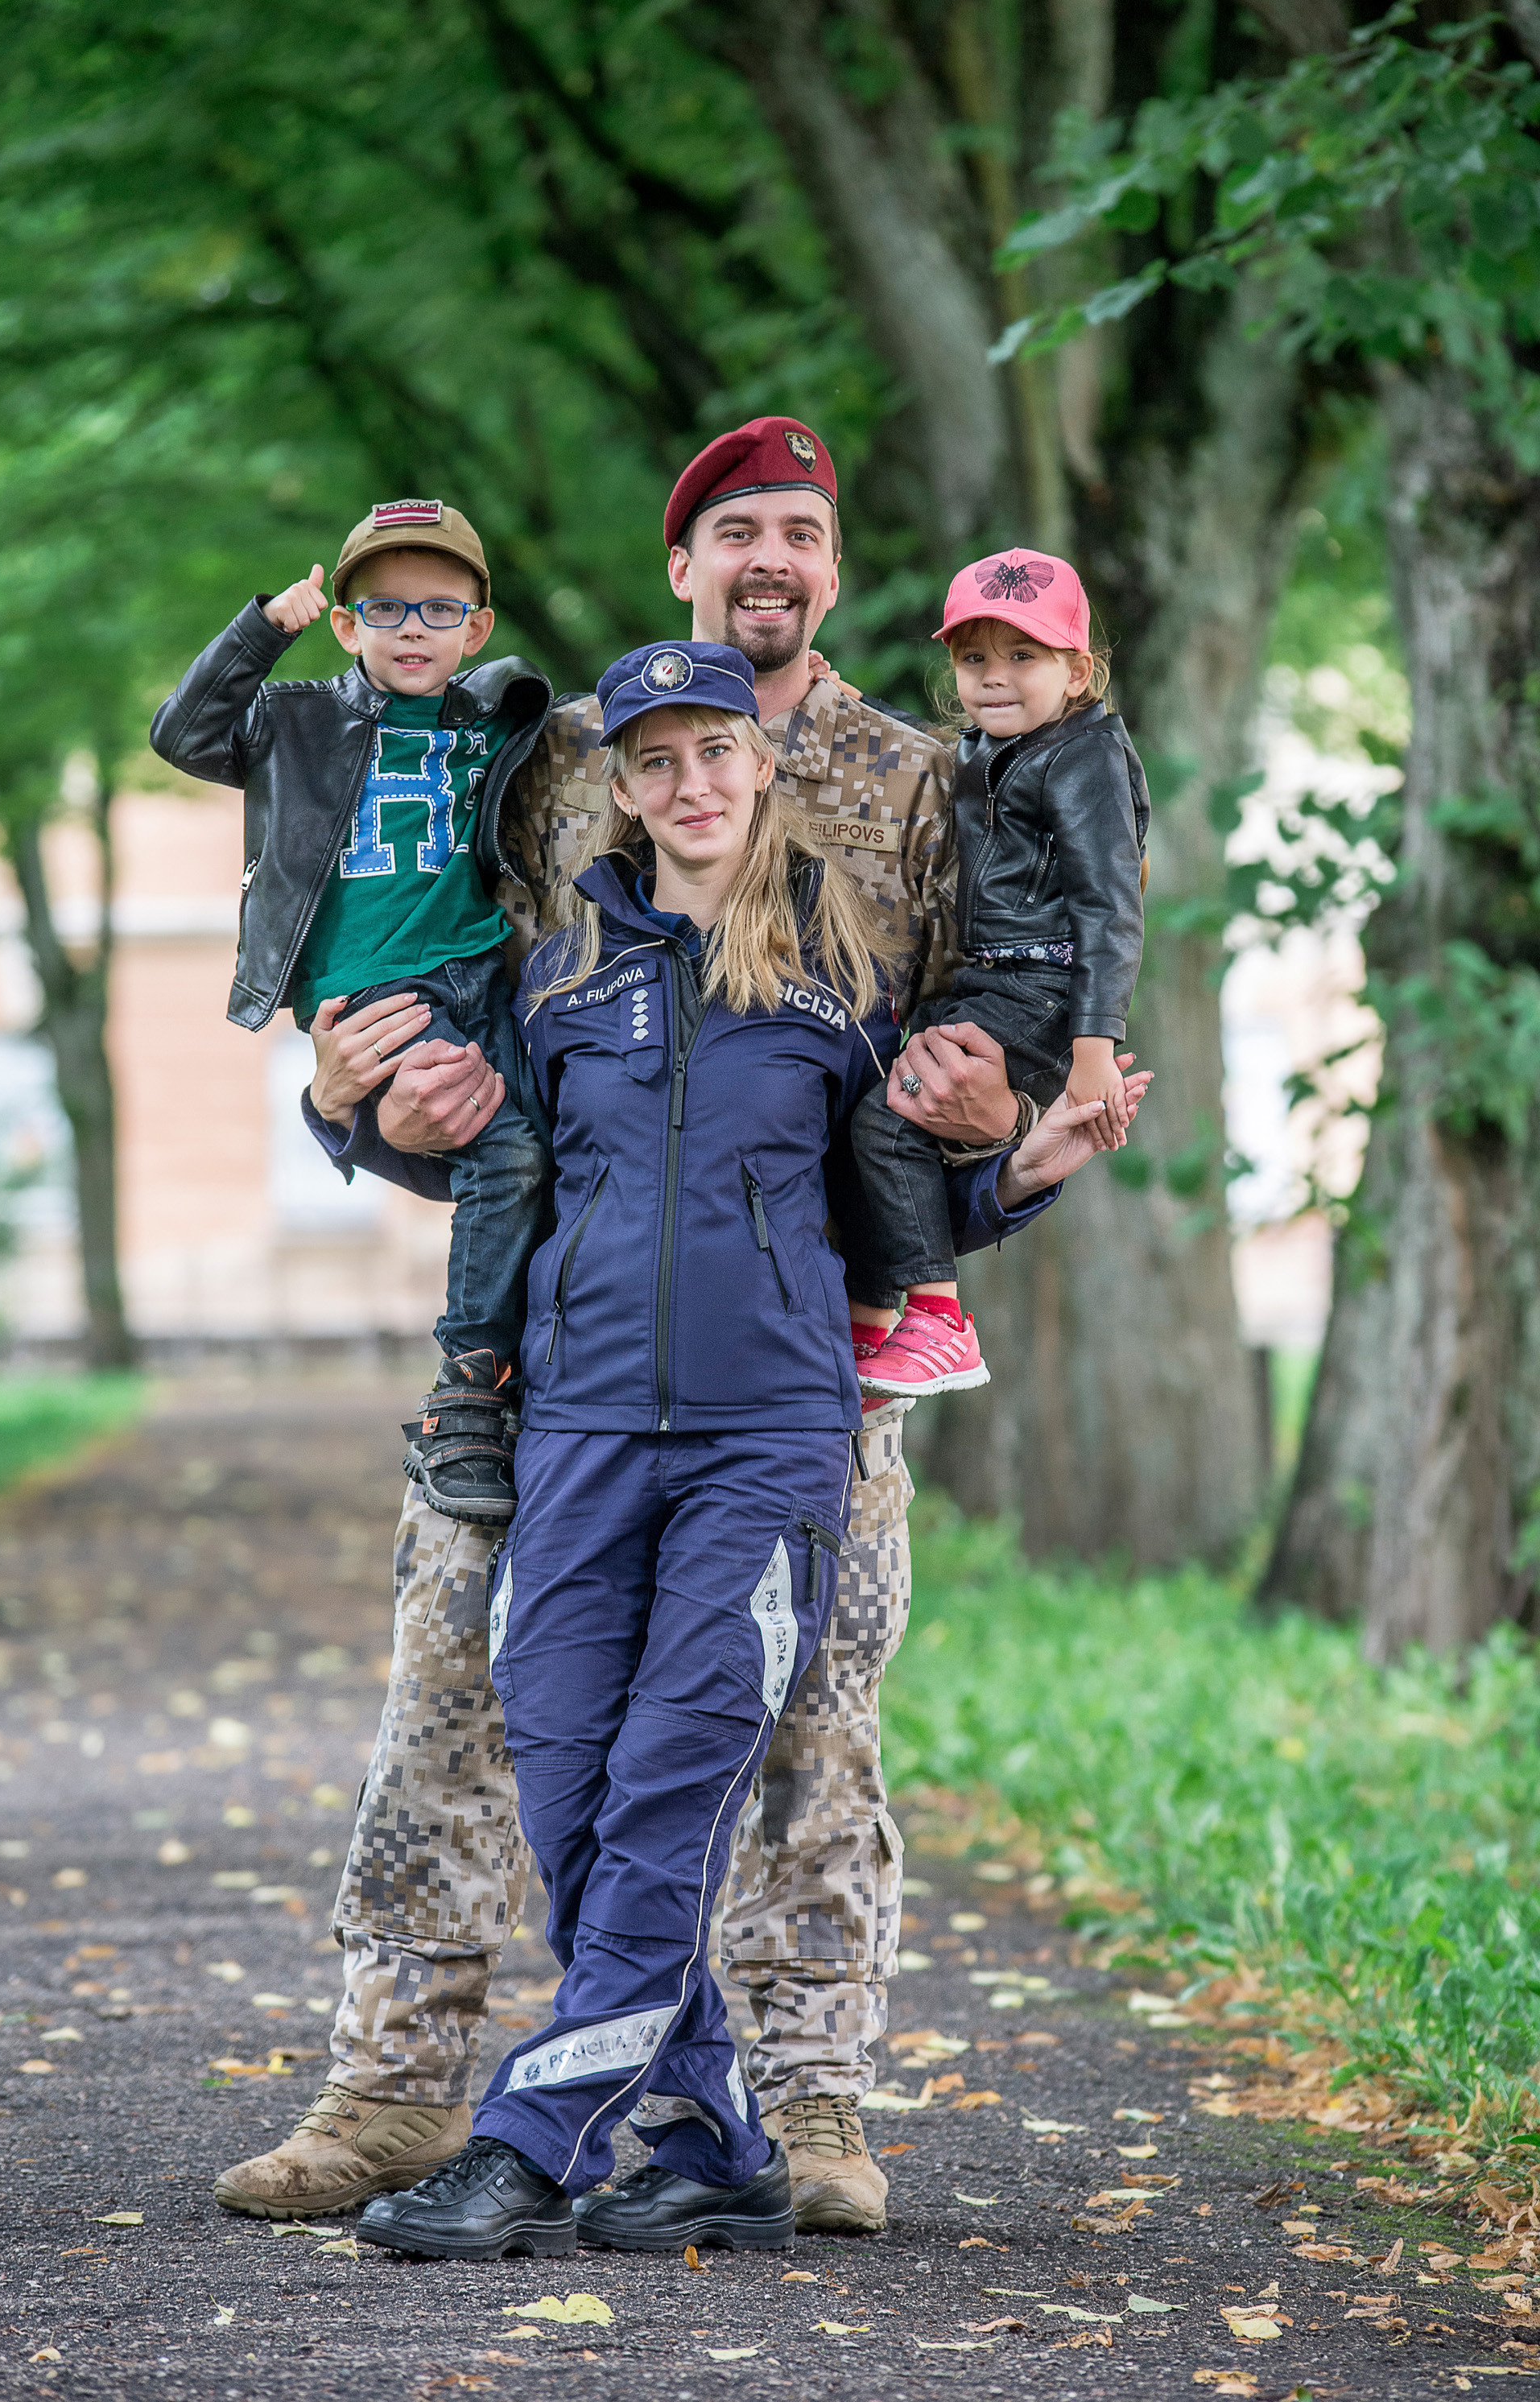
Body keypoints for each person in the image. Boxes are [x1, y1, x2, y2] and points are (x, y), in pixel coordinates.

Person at [213, 420, 1150, 2238]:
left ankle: (797, 2103)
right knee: (470, 1694)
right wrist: (355, 1107)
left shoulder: (927, 776)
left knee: (797, 1724)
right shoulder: (550, 763)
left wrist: (1004, 1135)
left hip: (801, 1350)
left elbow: (981, 1043)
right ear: (681, 572)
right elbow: (456, 1001)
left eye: (801, 528)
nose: (770, 557)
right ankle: (400, 2083)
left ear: (835, 563)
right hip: (543, 1359)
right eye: (734, 533)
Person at [357, 640, 904, 2260]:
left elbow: (909, 1207)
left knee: (668, 1791)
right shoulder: (554, 976)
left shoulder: (840, 971)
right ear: (625, 784)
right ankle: (710, 2131)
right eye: (654, 758)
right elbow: (480, 1166)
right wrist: (365, 1119)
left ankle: (527, 2140)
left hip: (762, 1442)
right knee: (568, 1785)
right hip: (580, 1437)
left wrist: (1028, 1165)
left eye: (713, 752)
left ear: (758, 764)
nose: (688, 783)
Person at [150, 500, 554, 1524]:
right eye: (383, 609)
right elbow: (183, 734)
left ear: (476, 625)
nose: (410, 629)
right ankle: (464, 1396)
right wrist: (260, 629)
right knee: (500, 1158)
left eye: (436, 610)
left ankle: (541, 1368)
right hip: (378, 989)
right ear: (344, 623)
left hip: (484, 973)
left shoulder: (499, 714)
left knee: (549, 1140)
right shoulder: (296, 718)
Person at [845, 549, 1150, 1402]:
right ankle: (871, 1329)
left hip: (1043, 992)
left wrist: (1093, 1046)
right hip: (984, 983)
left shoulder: (1084, 757)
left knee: (889, 1118)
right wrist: (842, 703)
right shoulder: (989, 748)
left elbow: (1107, 906)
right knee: (868, 1129)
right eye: (973, 657)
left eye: (1023, 656)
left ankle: (936, 1319)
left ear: (1077, 670)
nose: (993, 677)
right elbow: (925, 763)